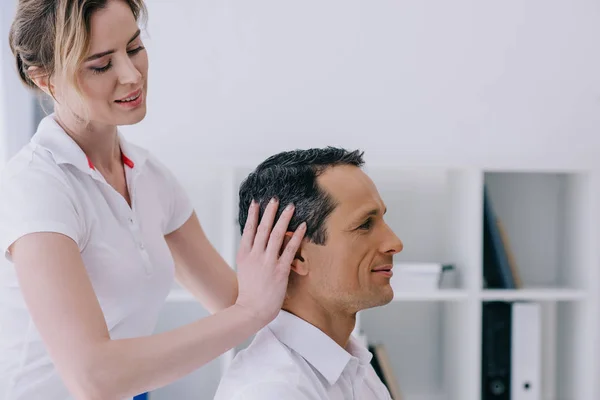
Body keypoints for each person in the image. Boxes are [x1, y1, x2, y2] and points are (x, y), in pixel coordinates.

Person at [0, 1, 307, 399]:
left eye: (134, 48)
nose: (131, 75)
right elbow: (94, 378)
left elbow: (235, 300)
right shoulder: (36, 186)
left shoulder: (150, 177)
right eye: (100, 65)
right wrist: (248, 313)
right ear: (45, 80)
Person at [213, 147, 405, 400]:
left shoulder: (354, 365)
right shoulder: (272, 391)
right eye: (365, 225)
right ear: (295, 254)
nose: (395, 243)